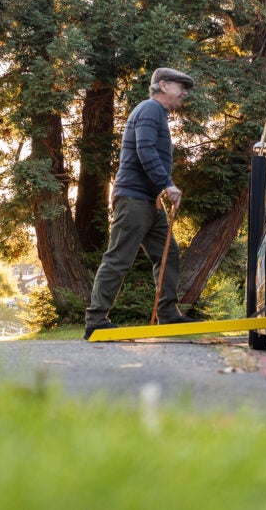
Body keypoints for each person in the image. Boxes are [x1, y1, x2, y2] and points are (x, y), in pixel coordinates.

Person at [84, 67, 197, 339]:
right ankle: (96, 321)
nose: (184, 92)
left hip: (149, 201)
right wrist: (167, 184)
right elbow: (143, 149)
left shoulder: (158, 114)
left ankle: (168, 315)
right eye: (180, 86)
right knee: (119, 258)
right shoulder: (149, 109)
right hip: (133, 199)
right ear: (162, 85)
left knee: (168, 253)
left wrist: (161, 188)